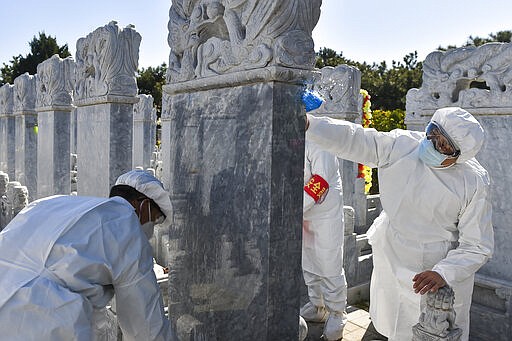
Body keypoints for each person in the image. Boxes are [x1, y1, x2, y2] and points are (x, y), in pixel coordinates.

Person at [305, 106, 494, 341]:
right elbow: (356, 138)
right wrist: (311, 125)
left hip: (434, 270)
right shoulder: (402, 146)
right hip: (392, 255)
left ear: (459, 156)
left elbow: (477, 245)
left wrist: (444, 272)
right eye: (432, 133)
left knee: (427, 329)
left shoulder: (473, 181)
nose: (432, 144)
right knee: (386, 321)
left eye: (443, 145)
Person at [0, 169, 176, 341]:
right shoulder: (127, 227)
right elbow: (145, 326)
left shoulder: (55, 203)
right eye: (156, 219)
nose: (152, 229)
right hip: (42, 317)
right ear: (143, 204)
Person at [300, 89, 347, 341]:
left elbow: (320, 181)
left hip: (323, 211)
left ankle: (337, 312)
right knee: (308, 261)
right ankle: (317, 306)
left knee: (328, 262)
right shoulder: (293, 135)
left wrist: (296, 208)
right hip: (304, 210)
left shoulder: (320, 138)